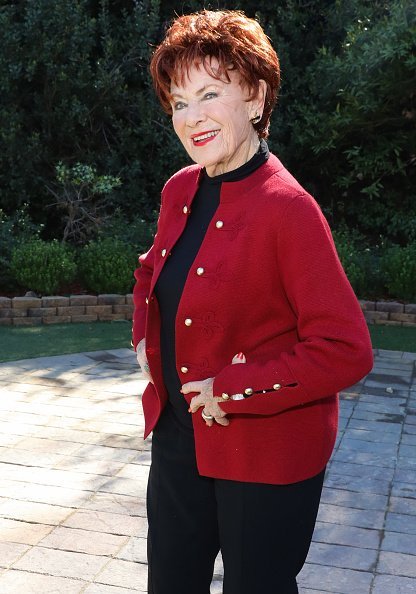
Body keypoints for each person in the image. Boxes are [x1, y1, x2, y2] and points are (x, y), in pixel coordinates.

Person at [132, 9, 373, 594]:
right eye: (179, 102)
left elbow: (347, 351)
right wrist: (144, 336)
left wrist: (235, 387)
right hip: (178, 437)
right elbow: (152, 273)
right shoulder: (179, 189)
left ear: (257, 96)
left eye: (210, 93)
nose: (192, 118)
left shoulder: (290, 210)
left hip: (268, 453)